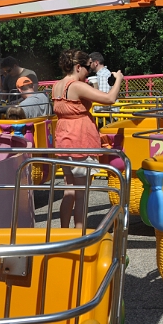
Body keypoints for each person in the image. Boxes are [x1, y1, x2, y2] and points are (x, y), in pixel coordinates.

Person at [52, 49, 123, 228]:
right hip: (79, 142)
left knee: (69, 190)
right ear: (78, 67)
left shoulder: (57, 85)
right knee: (81, 195)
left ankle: (64, 232)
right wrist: (119, 80)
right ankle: (79, 235)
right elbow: (110, 99)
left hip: (64, 142)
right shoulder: (76, 85)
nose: (88, 72)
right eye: (87, 68)